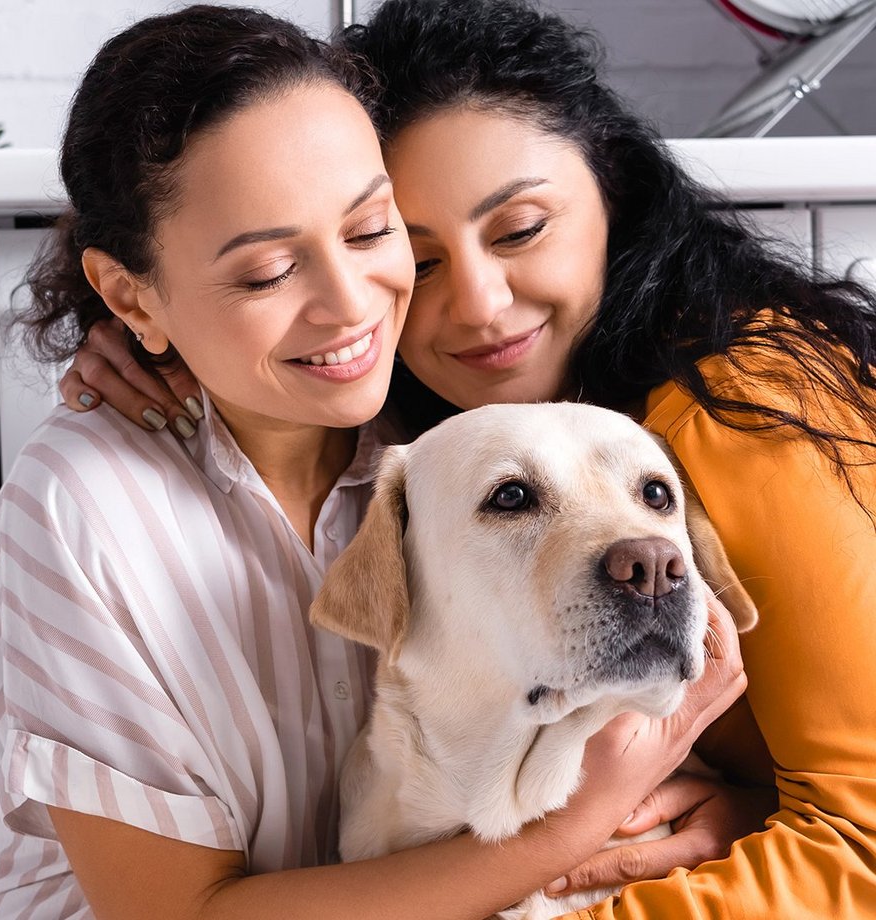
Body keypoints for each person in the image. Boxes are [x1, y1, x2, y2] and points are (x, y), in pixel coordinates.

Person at [62, 0, 876, 916]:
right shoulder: (454, 419)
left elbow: (863, 838)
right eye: (415, 256)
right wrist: (152, 334)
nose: (483, 305)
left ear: (614, 189)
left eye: (522, 229)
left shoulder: (745, 401)